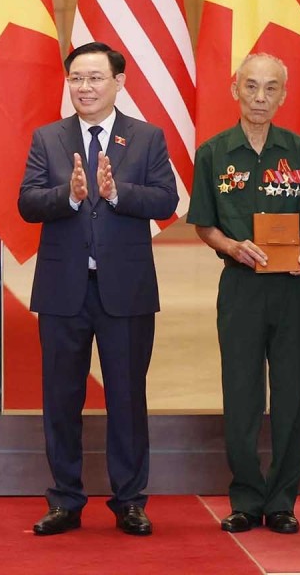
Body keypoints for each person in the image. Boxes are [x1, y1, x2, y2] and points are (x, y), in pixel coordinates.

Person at [18, 41, 178, 537]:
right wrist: (69, 195)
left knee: (127, 398)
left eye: (94, 78)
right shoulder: (48, 138)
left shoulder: (146, 138)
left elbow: (166, 200)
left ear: (119, 82)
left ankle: (129, 499)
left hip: (125, 291)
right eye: (76, 79)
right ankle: (65, 498)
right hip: (64, 290)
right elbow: (27, 202)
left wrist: (115, 193)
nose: (84, 88)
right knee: (61, 398)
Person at [187, 53, 300, 535]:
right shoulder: (213, 153)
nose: (260, 97)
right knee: (241, 394)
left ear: (284, 94)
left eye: (270, 89)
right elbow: (204, 222)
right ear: (233, 89)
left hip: (294, 287)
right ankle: (245, 497)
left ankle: (283, 499)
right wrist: (228, 244)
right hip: (240, 286)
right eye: (251, 87)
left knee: (293, 394)